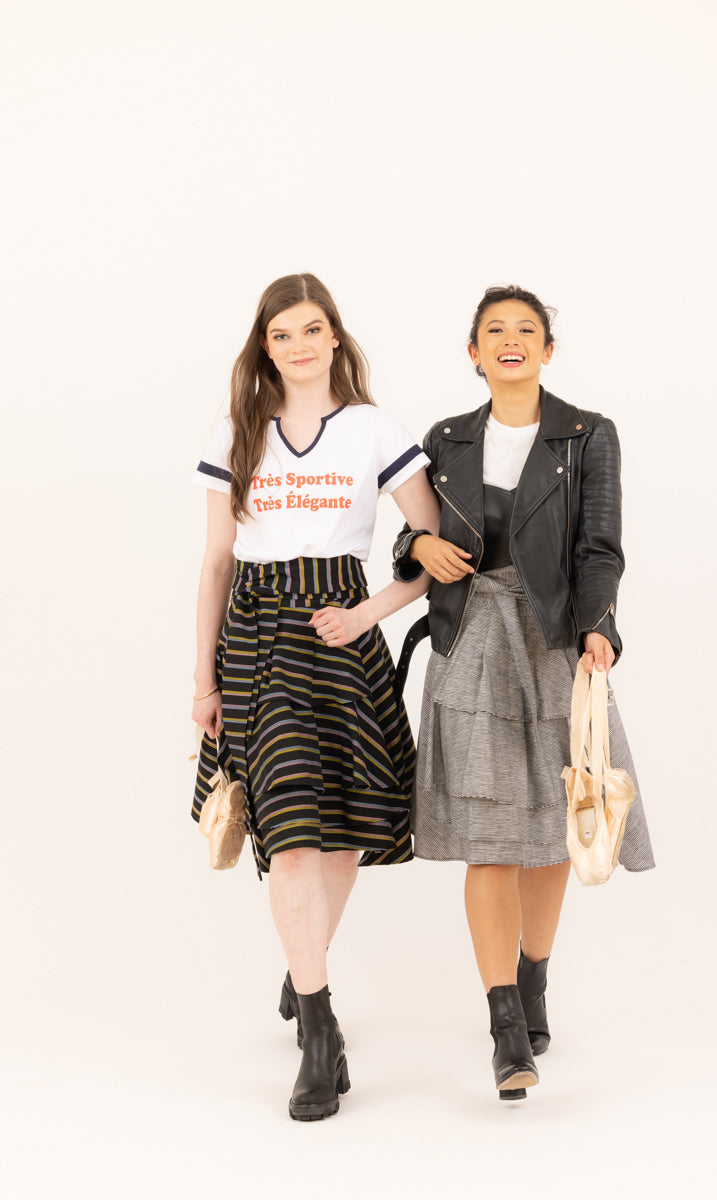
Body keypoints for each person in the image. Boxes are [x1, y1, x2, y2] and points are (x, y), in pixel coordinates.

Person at [393, 285, 655, 1101]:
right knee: (488, 833)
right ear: (473, 353)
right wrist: (420, 543)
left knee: (552, 824)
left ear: (548, 349)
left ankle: (533, 975)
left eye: (526, 331)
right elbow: (413, 532)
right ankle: (507, 1022)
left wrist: (599, 627)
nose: (511, 341)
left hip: (554, 638)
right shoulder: (445, 438)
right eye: (494, 332)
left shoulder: (588, 435)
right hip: (470, 638)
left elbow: (600, 544)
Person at [191, 273, 440, 1122]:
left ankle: (304, 968)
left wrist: (369, 611)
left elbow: (434, 543)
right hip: (258, 636)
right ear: (266, 346)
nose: (297, 345)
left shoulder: (373, 429)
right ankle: (320, 1029)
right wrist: (202, 680)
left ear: (335, 336)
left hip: (341, 631)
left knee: (343, 831)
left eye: (311, 329)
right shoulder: (239, 434)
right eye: (280, 334)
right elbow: (218, 563)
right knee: (291, 830)